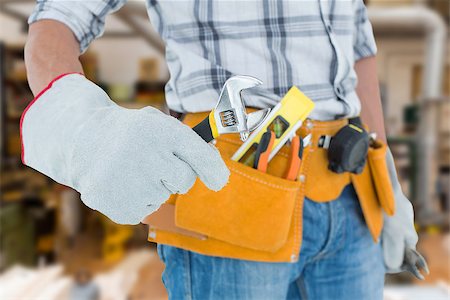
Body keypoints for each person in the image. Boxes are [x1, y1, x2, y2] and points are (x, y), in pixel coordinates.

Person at [23, 1, 427, 299]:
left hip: (353, 194)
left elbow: (360, 53)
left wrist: (384, 170)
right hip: (230, 192)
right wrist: (84, 126)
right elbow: (56, 19)